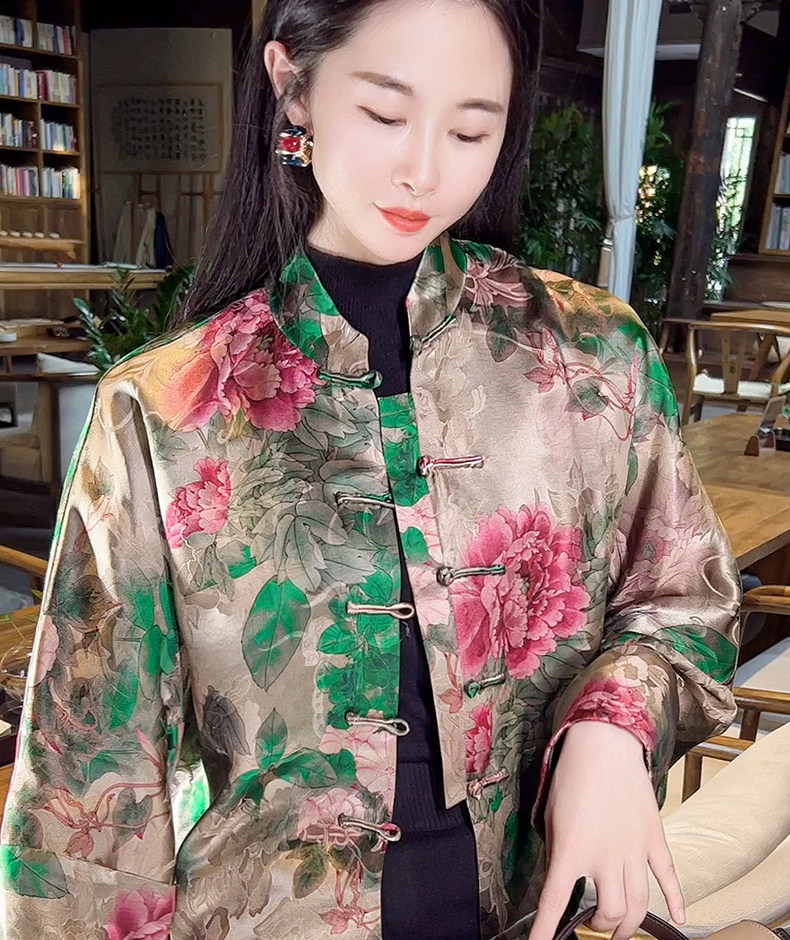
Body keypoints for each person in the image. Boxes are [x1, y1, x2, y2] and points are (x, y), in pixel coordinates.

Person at [0, 1, 742, 938]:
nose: (424, 170)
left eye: (471, 130)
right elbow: (87, 784)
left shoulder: (593, 358)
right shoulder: (164, 411)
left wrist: (613, 721)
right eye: (386, 113)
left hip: (530, 916)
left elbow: (685, 603)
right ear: (293, 88)